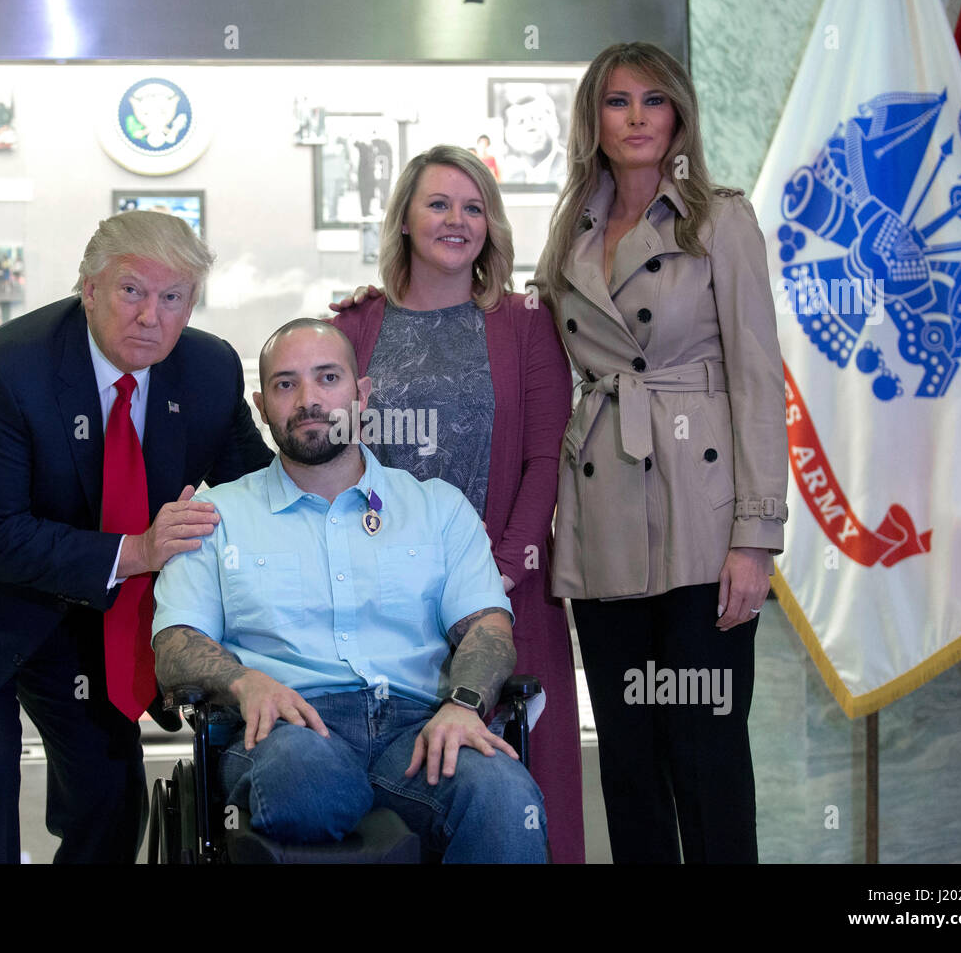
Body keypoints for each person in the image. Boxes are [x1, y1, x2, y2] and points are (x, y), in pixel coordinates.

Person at [0, 210, 273, 863]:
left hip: (73, 598)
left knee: (110, 789)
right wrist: (140, 551)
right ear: (89, 289)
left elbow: (257, 493)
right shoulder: (6, 371)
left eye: (173, 297)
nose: (152, 316)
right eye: (132, 291)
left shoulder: (208, 371)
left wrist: (334, 458)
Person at [152, 320, 548, 863]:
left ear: (361, 393)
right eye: (286, 384)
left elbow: (487, 627)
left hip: (419, 725)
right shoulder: (214, 514)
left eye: (328, 378)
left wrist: (464, 705)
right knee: (307, 781)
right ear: (261, 404)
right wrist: (243, 683)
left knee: (501, 793)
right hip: (286, 728)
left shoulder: (437, 507)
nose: (309, 400)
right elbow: (175, 644)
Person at [532, 42, 788, 863]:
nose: (636, 117)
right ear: (594, 120)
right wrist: (381, 306)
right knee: (630, 761)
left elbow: (757, 382)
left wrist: (755, 537)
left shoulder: (721, 218)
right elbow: (526, 335)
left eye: (652, 99)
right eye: (616, 101)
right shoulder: (568, 229)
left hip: (703, 519)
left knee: (705, 751)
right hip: (604, 515)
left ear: (678, 113)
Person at [328, 145, 584, 862]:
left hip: (503, 595)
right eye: (438, 204)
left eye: (474, 208)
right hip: (386, 605)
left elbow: (545, 458)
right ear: (405, 219)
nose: (457, 220)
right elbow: (332, 460)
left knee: (520, 798)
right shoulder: (356, 326)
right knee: (403, 793)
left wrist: (498, 571)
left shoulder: (526, 323)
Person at [499, 84, 567, 185]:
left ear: (556, 126)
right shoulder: (510, 177)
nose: (531, 127)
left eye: (539, 118)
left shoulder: (575, 169)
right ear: (507, 135)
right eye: (520, 121)